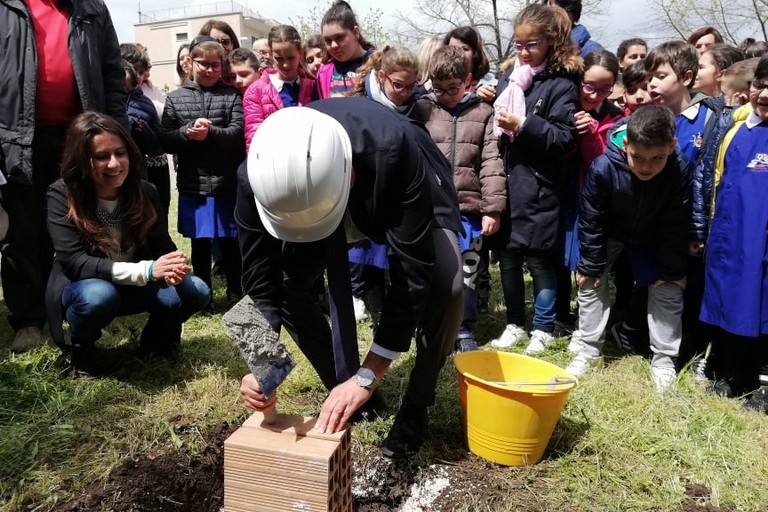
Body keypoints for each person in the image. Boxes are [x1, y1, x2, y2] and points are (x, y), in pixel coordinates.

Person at [237, 98, 463, 458]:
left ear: (350, 175)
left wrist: (370, 373)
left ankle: (416, 407)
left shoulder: (394, 147)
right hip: (314, 199)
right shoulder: (256, 177)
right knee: (286, 288)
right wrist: (261, 364)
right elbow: (259, 280)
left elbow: (412, 272)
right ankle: (346, 390)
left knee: (447, 284)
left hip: (397, 183)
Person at [0, 0, 127, 353]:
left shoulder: (91, 8)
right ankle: (28, 320)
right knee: (21, 231)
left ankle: (81, 308)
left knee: (83, 223)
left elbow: (112, 74)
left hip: (80, 138)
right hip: (15, 138)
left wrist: (115, 131)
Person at [45, 112, 210, 377]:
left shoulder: (145, 191)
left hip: (135, 287)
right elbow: (75, 262)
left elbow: (161, 246)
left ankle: (156, 341)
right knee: (98, 296)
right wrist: (146, 271)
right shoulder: (62, 195)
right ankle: (83, 353)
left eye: (120, 153)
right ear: (82, 160)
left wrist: (174, 264)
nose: (114, 164)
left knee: (197, 290)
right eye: (101, 157)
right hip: (87, 286)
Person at [567, 105, 692, 392]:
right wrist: (591, 264)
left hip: (655, 233)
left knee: (670, 285)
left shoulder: (680, 168)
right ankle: (588, 348)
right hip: (611, 231)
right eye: (638, 158)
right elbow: (593, 220)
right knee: (589, 277)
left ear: (672, 146)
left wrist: (671, 269)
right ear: (625, 144)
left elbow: (676, 222)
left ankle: (663, 360)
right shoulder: (603, 167)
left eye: (657, 158)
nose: (646, 167)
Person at [489, 3, 580, 352]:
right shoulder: (509, 79)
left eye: (532, 44)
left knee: (540, 260)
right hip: (508, 183)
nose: (524, 52)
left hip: (540, 185)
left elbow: (563, 138)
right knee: (509, 260)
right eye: (518, 44)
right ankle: (515, 323)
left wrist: (524, 126)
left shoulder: (561, 83)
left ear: (552, 42)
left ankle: (543, 326)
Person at [412, 45, 505, 352]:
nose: (446, 95)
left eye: (452, 88)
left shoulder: (483, 112)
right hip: (431, 208)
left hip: (469, 210)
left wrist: (492, 209)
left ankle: (463, 329)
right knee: (434, 271)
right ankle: (431, 324)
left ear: (467, 80)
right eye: (438, 88)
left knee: (468, 272)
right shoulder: (423, 108)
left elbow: (491, 163)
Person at [700, 55, 768, 412]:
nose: (765, 93)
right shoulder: (737, 130)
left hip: (762, 242)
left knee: (764, 311)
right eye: (760, 83)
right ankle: (733, 373)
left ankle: (764, 383)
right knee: (731, 305)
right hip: (730, 239)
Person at [160, 36, 245, 310]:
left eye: (215, 65)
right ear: (190, 63)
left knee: (231, 240)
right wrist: (187, 132)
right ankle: (204, 294)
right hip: (193, 183)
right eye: (203, 64)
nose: (209, 70)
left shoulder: (231, 95)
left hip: (226, 181)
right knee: (200, 242)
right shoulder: (174, 99)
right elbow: (165, 140)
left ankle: (235, 290)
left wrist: (211, 133)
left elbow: (237, 133)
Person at [559, 50, 624, 346]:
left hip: (591, 201)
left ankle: (587, 327)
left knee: (585, 265)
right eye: (589, 86)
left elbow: (599, 163)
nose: (596, 95)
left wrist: (587, 134)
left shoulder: (614, 117)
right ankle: (559, 315)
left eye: (605, 89)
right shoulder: (561, 102)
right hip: (559, 194)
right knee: (557, 258)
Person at [243, 25, 315, 152]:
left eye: (291, 58)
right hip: (274, 162)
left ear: (301, 53)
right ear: (270, 54)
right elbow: (254, 136)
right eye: (279, 58)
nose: (286, 64)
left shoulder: (313, 86)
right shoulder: (256, 90)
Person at [121, 43, 172, 217]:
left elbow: (157, 145)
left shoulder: (145, 103)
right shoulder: (101, 97)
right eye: (135, 71)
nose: (138, 78)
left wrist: (141, 129)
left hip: (140, 171)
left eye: (142, 73)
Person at [315, 0, 375, 99]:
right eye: (328, 40)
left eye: (339, 37)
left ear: (356, 32)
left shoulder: (378, 64)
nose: (334, 45)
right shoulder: (324, 74)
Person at [443, 26, 496, 101]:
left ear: (475, 53)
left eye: (464, 49)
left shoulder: (490, 86)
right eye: (452, 49)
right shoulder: (437, 88)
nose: (458, 54)